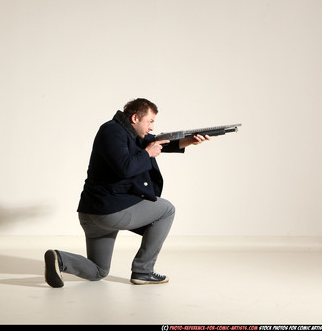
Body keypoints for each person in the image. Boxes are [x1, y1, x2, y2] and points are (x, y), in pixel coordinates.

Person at [44, 98, 210, 287]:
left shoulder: (126, 132)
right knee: (166, 210)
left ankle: (60, 259)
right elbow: (125, 167)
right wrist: (147, 153)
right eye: (150, 121)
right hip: (109, 212)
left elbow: (159, 143)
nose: (152, 127)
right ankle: (143, 271)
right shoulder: (112, 131)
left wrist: (189, 141)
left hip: (93, 215)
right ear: (135, 118)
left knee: (99, 270)